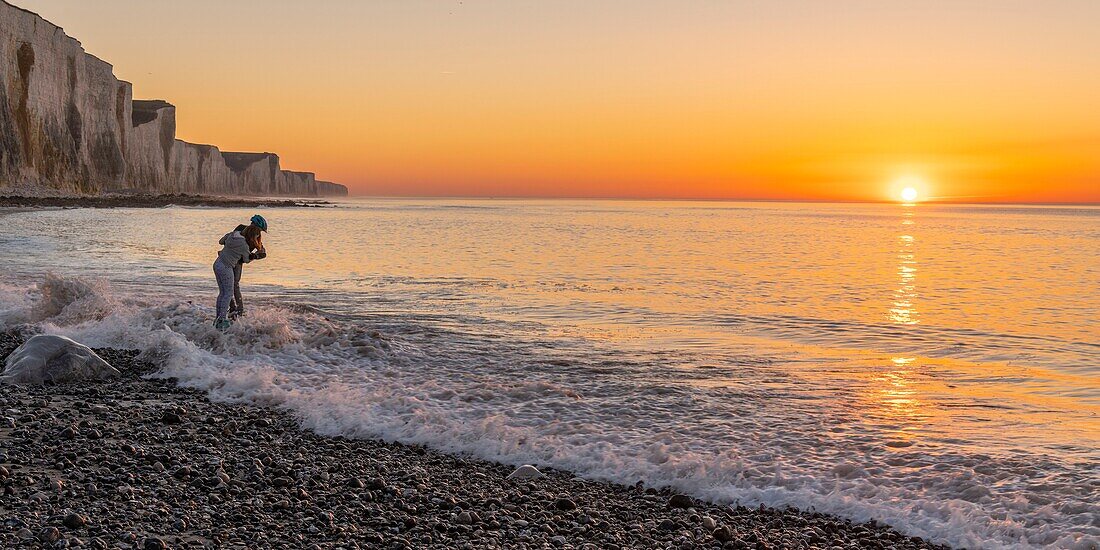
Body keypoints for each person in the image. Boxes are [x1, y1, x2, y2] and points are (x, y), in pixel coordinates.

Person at [213, 215, 267, 330]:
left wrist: (230, 246)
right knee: (229, 292)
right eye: (259, 231)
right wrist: (256, 255)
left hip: (221, 262)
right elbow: (247, 258)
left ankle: (220, 318)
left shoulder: (236, 233)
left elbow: (222, 241)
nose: (259, 234)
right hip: (228, 264)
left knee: (224, 292)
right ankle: (225, 317)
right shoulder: (244, 240)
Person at [229, 215, 268, 319]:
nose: (259, 233)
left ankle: (237, 309)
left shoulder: (255, 236)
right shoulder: (241, 228)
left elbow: (261, 252)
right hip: (231, 260)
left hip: (238, 262)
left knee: (233, 285)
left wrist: (258, 254)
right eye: (259, 229)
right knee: (230, 285)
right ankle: (235, 308)